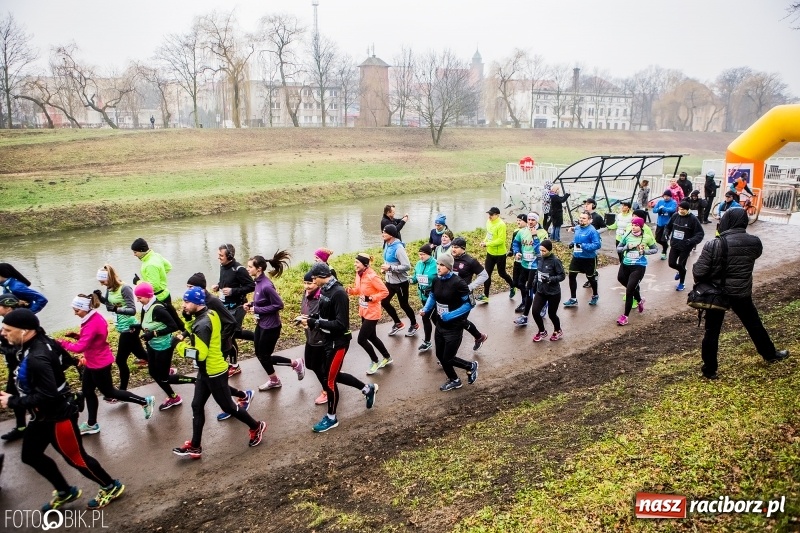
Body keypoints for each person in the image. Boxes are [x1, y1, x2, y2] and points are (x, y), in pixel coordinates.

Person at [0, 309, 125, 511]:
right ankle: (65, 491)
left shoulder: (37, 357)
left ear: (24, 331)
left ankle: (110, 486)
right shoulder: (44, 342)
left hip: (58, 418)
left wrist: (13, 401)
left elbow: (49, 395)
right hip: (41, 416)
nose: (3, 333)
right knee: (30, 455)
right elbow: (66, 361)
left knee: (77, 458)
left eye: (7, 330)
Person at [692, 209, 789, 380]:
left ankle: (710, 370)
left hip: (717, 294)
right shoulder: (754, 242)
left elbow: (699, 271)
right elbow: (750, 258)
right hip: (741, 292)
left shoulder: (714, 244)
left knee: (712, 332)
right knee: (754, 324)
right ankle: (770, 354)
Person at [172, 287, 266, 459]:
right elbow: (197, 331)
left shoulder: (202, 324)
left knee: (228, 406)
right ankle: (195, 446)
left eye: (186, 302)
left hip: (214, 371)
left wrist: (179, 346)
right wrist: (187, 321)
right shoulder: (210, 314)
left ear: (197, 303)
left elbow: (199, 353)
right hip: (205, 371)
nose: (183, 305)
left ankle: (256, 426)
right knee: (196, 406)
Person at [58, 294, 155, 434]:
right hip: (93, 361)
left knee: (109, 391)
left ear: (85, 308)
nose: (75, 313)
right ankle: (92, 424)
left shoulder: (92, 322)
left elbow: (79, 348)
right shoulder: (93, 317)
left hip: (99, 364)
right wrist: (77, 337)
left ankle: (145, 401)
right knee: (87, 391)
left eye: (77, 310)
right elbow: (94, 339)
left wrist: (61, 343)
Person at [300, 263, 378, 433]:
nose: (312, 282)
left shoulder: (339, 293)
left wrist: (316, 322)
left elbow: (341, 324)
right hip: (327, 340)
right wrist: (310, 317)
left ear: (322, 276)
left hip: (339, 343)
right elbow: (324, 315)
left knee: (329, 380)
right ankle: (367, 389)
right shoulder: (325, 291)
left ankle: (331, 417)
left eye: (314, 279)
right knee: (333, 376)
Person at [184, 273, 246, 422]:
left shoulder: (212, 302)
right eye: (187, 287)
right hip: (209, 347)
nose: (188, 290)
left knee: (217, 381)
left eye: (191, 287)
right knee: (214, 382)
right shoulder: (197, 305)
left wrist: (220, 340)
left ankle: (233, 405)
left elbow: (231, 322)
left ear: (200, 288)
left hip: (218, 347)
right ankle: (241, 396)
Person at [244, 252, 305, 391]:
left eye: (249, 266)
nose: (247, 269)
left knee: (264, 356)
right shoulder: (258, 282)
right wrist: (251, 304)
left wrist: (258, 310)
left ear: (258, 269)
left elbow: (279, 305)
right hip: (262, 324)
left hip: (271, 327)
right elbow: (262, 301)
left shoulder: (266, 285)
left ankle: (295, 364)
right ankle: (274, 379)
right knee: (260, 355)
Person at [420, 254, 479, 391]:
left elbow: (470, 304)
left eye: (442, 265)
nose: (438, 267)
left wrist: (451, 315)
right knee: (440, 355)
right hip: (440, 325)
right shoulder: (436, 280)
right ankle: (455, 380)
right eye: (438, 264)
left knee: (448, 358)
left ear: (449, 267)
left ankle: (470, 366)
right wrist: (426, 309)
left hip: (454, 327)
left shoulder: (459, 283)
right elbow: (432, 296)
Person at [134, 282, 194, 411]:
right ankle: (173, 396)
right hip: (152, 345)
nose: (137, 300)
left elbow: (173, 326)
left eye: (139, 297)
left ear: (148, 296)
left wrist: (154, 333)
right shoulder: (146, 307)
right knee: (153, 372)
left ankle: (195, 381)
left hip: (164, 346)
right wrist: (138, 327)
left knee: (164, 378)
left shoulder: (158, 309)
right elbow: (148, 323)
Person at [93, 265, 148, 393]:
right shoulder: (110, 288)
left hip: (129, 328)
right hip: (122, 328)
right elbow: (109, 306)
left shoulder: (125, 288)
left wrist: (117, 309)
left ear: (110, 277)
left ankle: (121, 392)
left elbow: (132, 310)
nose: (102, 284)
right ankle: (166, 369)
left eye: (103, 281)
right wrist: (101, 298)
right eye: (100, 282)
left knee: (120, 360)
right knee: (141, 354)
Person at [211, 244, 256, 377]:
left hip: (237, 307)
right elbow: (224, 281)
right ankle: (258, 338)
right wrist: (218, 286)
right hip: (224, 307)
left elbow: (251, 286)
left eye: (221, 255)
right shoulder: (222, 266)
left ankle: (234, 365)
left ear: (229, 256)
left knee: (229, 336)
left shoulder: (239, 269)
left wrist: (233, 291)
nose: (218, 258)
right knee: (234, 333)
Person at [347, 253, 392, 373]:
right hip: (364, 311)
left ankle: (375, 361)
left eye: (357, 262)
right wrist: (350, 291)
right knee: (372, 337)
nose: (354, 264)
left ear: (364, 264)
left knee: (361, 339)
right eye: (355, 262)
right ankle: (387, 357)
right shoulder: (359, 274)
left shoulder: (372, 276)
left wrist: (371, 298)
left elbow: (385, 292)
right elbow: (358, 290)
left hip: (373, 312)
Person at [130, 238, 183, 328]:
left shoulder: (150, 264)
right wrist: (159, 276)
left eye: (135, 252)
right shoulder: (155, 255)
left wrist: (138, 282)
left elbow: (153, 285)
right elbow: (168, 267)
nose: (134, 255)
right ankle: (185, 332)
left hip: (157, 298)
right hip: (165, 293)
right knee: (174, 318)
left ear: (142, 250)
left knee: (170, 321)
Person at [615, 217, 658, 325]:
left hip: (638, 266)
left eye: (636, 225)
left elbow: (655, 249)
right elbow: (618, 249)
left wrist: (644, 252)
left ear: (641, 226)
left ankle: (625, 317)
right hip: (626, 264)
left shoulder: (647, 237)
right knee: (621, 279)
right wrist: (626, 247)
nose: (634, 227)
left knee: (629, 290)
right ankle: (639, 300)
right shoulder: (627, 235)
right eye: (633, 225)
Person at [450, 237, 489, 350]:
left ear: (463, 248)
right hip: (451, 296)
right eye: (452, 247)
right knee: (458, 322)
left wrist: (471, 286)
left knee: (458, 324)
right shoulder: (449, 259)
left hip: (465, 297)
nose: (453, 249)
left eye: (456, 247)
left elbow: (484, 275)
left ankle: (449, 354)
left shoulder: (470, 261)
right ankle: (479, 336)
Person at [380, 224, 418, 337]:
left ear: (391, 234)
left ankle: (414, 324)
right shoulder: (387, 244)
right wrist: (386, 268)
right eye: (382, 231)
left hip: (401, 283)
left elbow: (407, 266)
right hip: (389, 281)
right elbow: (388, 261)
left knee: (404, 305)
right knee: (384, 302)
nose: (382, 234)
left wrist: (391, 268)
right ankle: (398, 323)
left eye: (384, 232)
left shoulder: (399, 248)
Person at [300, 272, 330, 406]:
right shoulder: (306, 294)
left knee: (318, 366)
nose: (307, 286)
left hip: (320, 337)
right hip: (310, 335)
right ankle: (331, 381)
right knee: (310, 364)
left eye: (310, 283)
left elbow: (324, 318)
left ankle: (327, 390)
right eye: (305, 283)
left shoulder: (321, 297)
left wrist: (311, 320)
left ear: (316, 282)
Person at [511, 213, 546, 326]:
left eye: (533, 220)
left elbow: (540, 251)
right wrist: (517, 252)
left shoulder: (542, 233)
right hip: (524, 264)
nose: (530, 222)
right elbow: (515, 243)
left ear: (537, 221)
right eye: (529, 219)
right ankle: (540, 302)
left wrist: (535, 236)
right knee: (521, 284)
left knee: (529, 288)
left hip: (535, 266)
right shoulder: (522, 231)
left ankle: (525, 316)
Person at [0, 295, 27, 442]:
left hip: (21, 367)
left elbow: (20, 348)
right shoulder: (8, 323)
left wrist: (4, 349)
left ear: (8, 307)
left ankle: (73, 400)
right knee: (14, 396)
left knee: (20, 397)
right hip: (13, 367)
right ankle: (21, 427)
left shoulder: (18, 323)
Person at [563, 211, 602, 307]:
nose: (581, 219)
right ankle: (573, 299)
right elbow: (576, 239)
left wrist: (583, 246)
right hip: (577, 257)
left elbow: (597, 245)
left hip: (589, 259)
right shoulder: (577, 228)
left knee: (591, 278)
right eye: (580, 218)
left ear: (590, 220)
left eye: (584, 218)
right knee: (571, 276)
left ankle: (595, 295)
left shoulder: (592, 231)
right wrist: (573, 243)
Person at [529, 240, 565, 341]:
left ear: (549, 250)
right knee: (535, 311)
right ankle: (542, 331)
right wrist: (535, 282)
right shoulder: (539, 258)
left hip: (553, 292)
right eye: (540, 250)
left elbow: (562, 276)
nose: (541, 253)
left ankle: (558, 330)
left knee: (552, 314)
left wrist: (550, 279)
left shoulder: (555, 261)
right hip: (541, 291)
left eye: (544, 251)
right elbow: (538, 271)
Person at [666, 201, 705, 291]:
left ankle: (681, 283)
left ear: (687, 210)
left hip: (685, 246)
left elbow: (700, 233)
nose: (681, 211)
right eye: (679, 209)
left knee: (681, 264)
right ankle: (682, 270)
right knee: (671, 263)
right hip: (675, 244)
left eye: (683, 209)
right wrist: (666, 233)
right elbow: (668, 227)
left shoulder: (693, 219)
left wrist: (691, 241)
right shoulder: (675, 216)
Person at [479, 206, 514, 302]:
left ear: (497, 215)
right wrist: (484, 241)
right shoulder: (488, 222)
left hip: (500, 254)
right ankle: (486, 296)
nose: (489, 216)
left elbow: (500, 240)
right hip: (490, 253)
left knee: (501, 273)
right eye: (489, 214)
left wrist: (487, 244)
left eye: (491, 214)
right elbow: (489, 234)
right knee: (487, 274)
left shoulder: (501, 225)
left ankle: (512, 286)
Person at [410, 245, 438, 352]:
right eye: (419, 254)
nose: (420, 256)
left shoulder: (435, 264)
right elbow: (415, 277)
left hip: (433, 296)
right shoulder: (418, 264)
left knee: (425, 317)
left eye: (423, 254)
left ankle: (427, 342)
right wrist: (412, 280)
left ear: (429, 254)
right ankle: (445, 334)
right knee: (435, 319)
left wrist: (433, 288)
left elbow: (441, 278)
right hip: (422, 295)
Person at [651, 190, 678, 260]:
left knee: (664, 239)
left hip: (668, 224)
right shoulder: (660, 202)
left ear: (670, 196)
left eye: (667, 196)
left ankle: (664, 252)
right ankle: (666, 246)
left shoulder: (673, 202)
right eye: (665, 196)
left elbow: (672, 209)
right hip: (660, 223)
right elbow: (654, 210)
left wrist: (664, 208)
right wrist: (658, 209)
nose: (666, 198)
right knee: (657, 239)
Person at [509, 214, 527, 308]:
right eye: (517, 220)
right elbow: (513, 244)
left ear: (526, 222)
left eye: (520, 220)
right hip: (517, 261)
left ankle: (525, 302)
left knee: (521, 283)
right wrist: (512, 252)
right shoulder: (516, 231)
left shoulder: (529, 232)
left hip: (526, 262)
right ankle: (528, 293)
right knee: (515, 283)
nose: (518, 222)